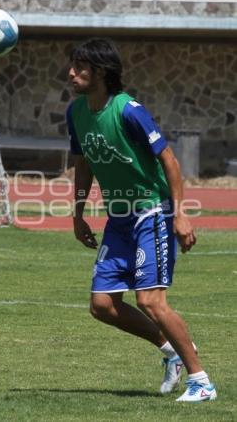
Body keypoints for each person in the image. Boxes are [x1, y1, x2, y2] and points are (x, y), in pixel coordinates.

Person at [66, 38, 217, 402]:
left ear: (100, 72)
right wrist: (78, 214)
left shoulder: (129, 110)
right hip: (117, 218)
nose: (71, 74)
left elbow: (170, 160)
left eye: (79, 67)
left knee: (150, 300)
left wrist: (180, 215)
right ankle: (170, 350)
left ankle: (201, 382)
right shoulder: (76, 113)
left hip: (152, 212)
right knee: (102, 305)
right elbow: (83, 163)